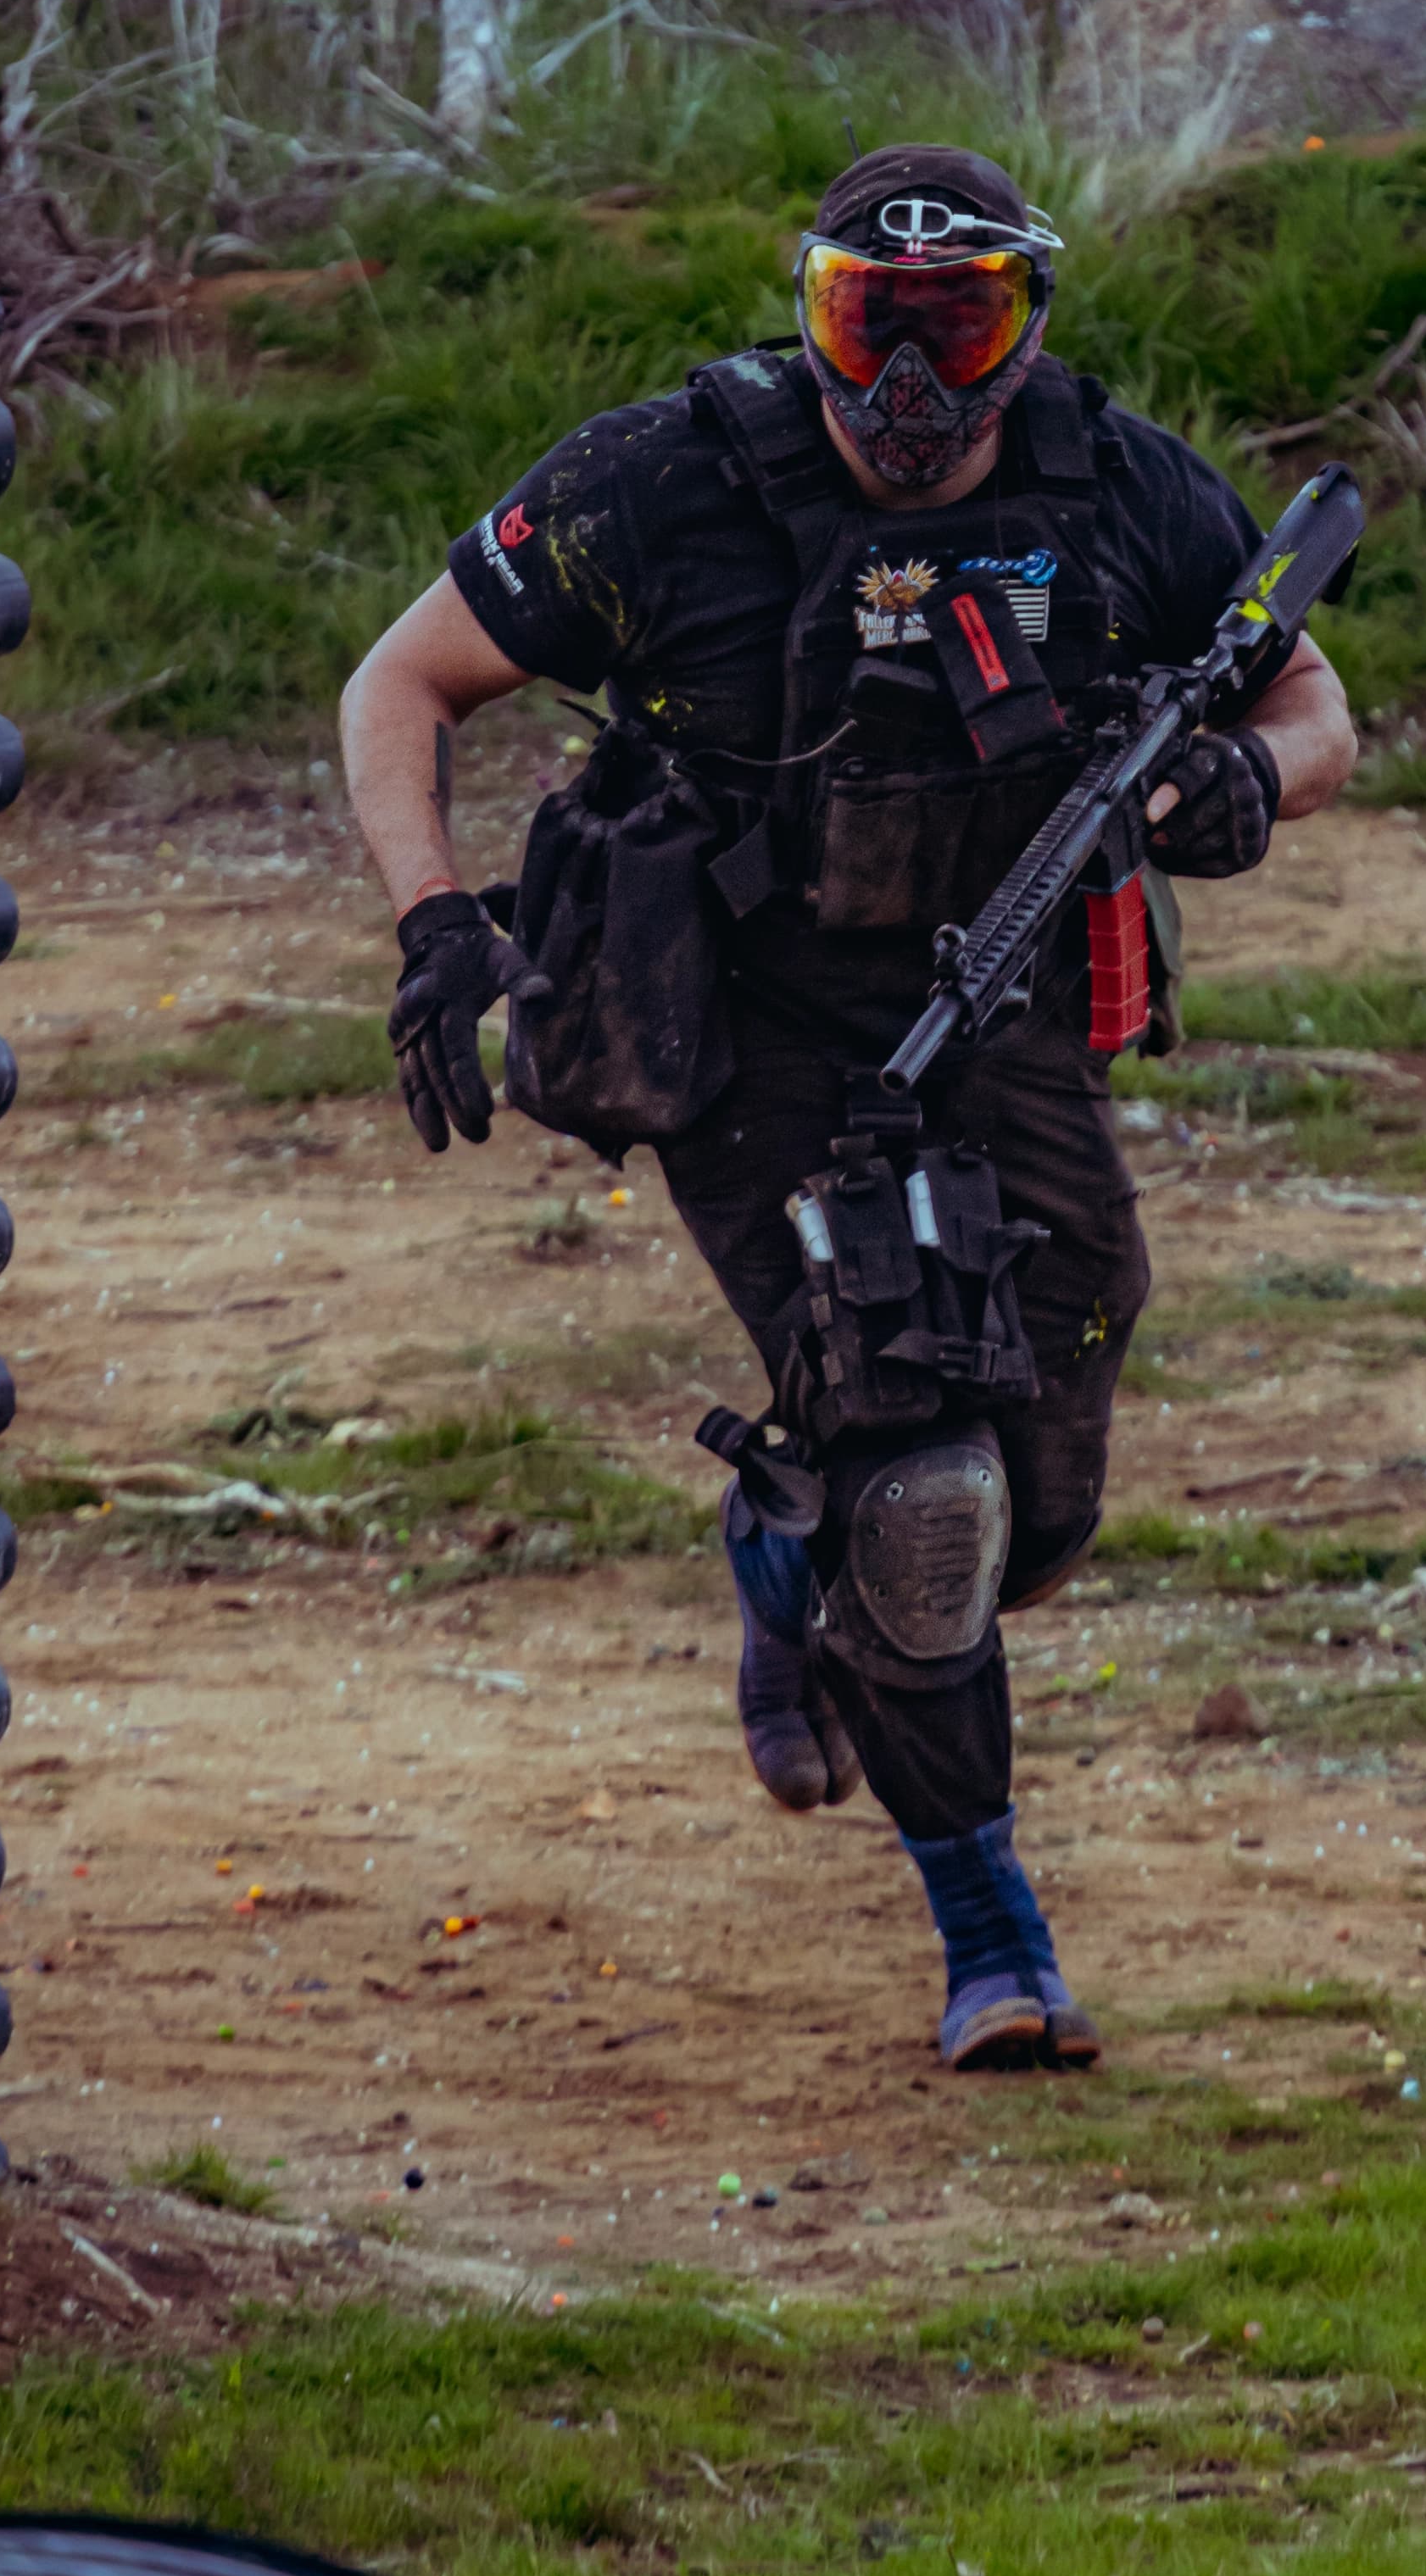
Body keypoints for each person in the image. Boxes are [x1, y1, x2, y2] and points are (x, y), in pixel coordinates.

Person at [338, 142, 1356, 2069]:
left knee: (1036, 1493)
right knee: (923, 1478)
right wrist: (434, 925)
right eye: (863, 321)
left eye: (951, 322)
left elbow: (1311, 699)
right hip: (745, 1023)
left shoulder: (1114, 484)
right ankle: (994, 1936)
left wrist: (1247, 784)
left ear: (1021, 324)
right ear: (807, 310)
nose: (905, 377)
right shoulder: (667, 483)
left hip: (1012, 1002)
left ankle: (785, 1548)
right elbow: (400, 686)